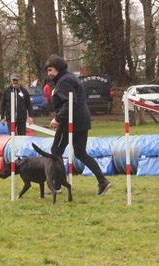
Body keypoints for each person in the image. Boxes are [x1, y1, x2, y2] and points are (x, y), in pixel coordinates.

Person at [45, 54, 111, 196]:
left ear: (57, 68)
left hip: (70, 122)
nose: (48, 74)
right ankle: (102, 181)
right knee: (80, 153)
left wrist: (57, 118)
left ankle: (57, 185)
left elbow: (70, 102)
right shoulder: (69, 78)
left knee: (55, 152)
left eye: (50, 70)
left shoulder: (64, 81)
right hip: (81, 120)